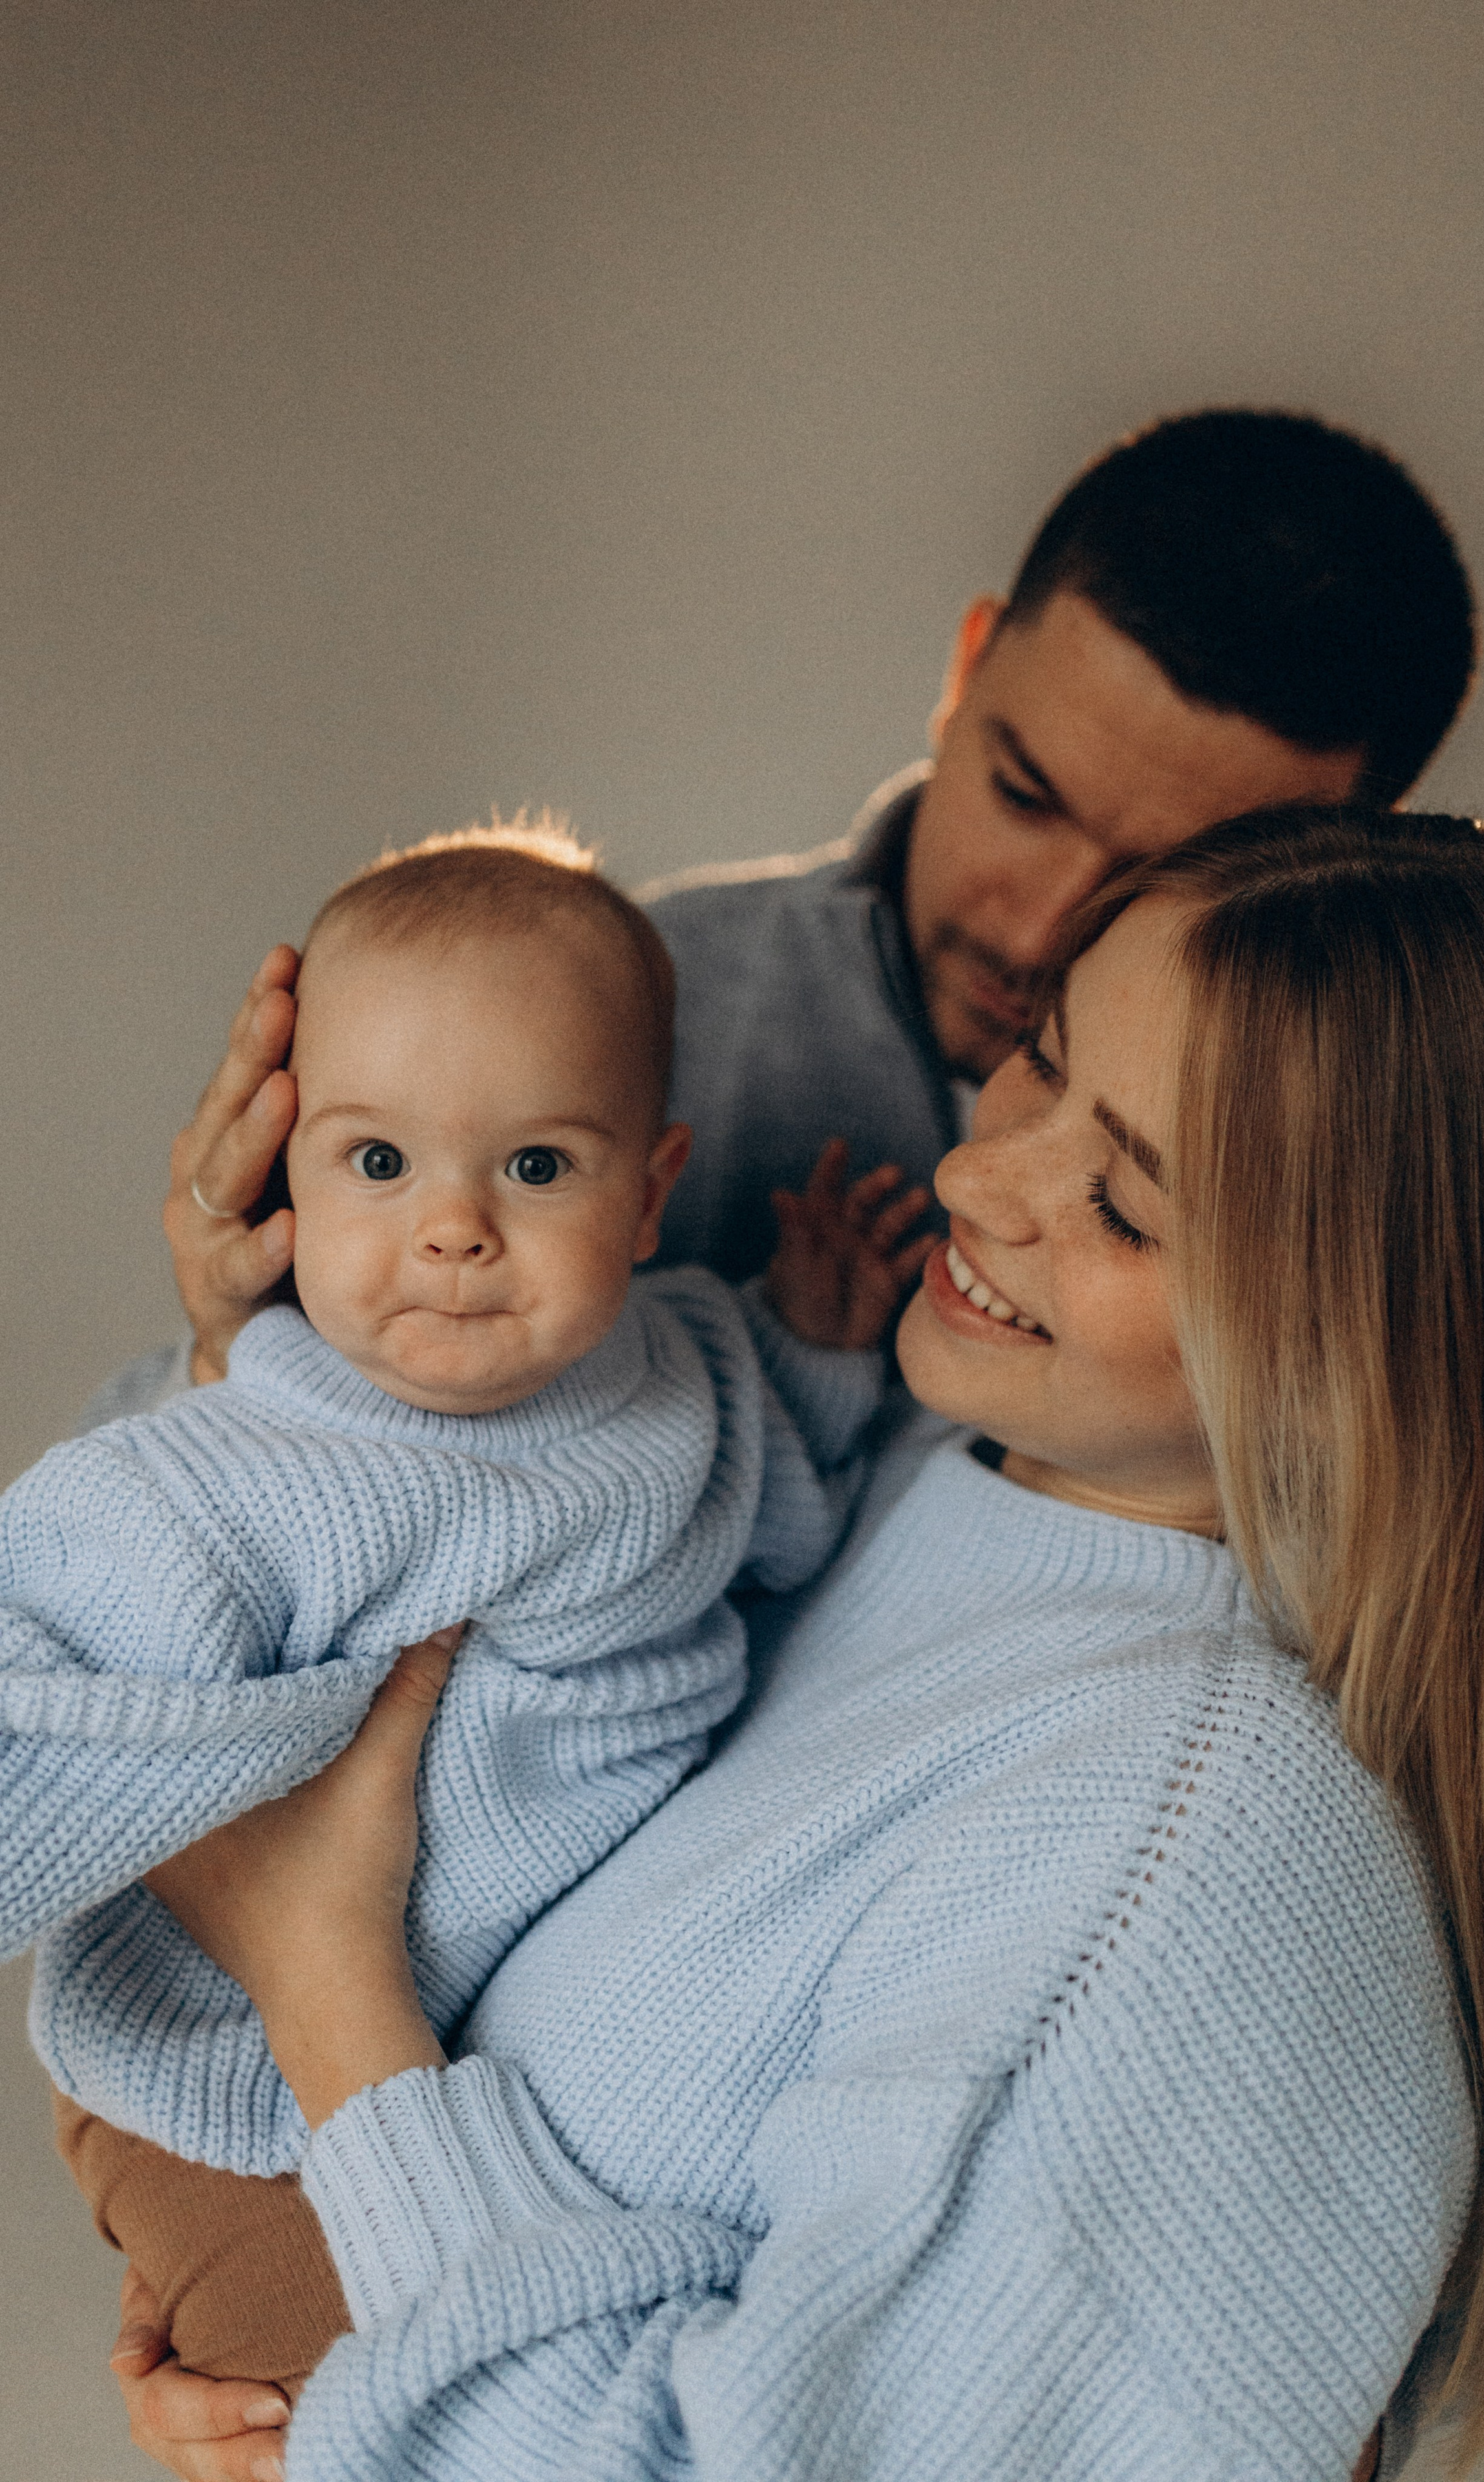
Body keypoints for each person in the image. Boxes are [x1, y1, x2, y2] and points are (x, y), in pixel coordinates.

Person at [115, 808, 1484, 2480]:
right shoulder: (921, 1466)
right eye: (1037, 1058)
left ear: (1377, 1363)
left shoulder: (1208, 1871)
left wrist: (317, 1982)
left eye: (1125, 1206)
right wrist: (257, 1350)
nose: (980, 1175)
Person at [6, 822, 929, 2393]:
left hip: (478, 2028)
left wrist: (825, 1343)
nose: (453, 1229)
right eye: (378, 1163)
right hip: (234, 2080)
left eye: (536, 1167)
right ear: (282, 1179)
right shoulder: (269, 1463)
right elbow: (56, 1664)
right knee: (326, 2388)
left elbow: (778, 1491)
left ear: (650, 1196)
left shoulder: (683, 1356)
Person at [85, 407, 1475, 1421]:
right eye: (1023, 793)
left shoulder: (1353, 1211)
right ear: (967, 663)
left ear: (1328, 864)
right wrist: (229, 1342)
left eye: (1157, 874)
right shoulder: (617, 1007)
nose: (1042, 925)